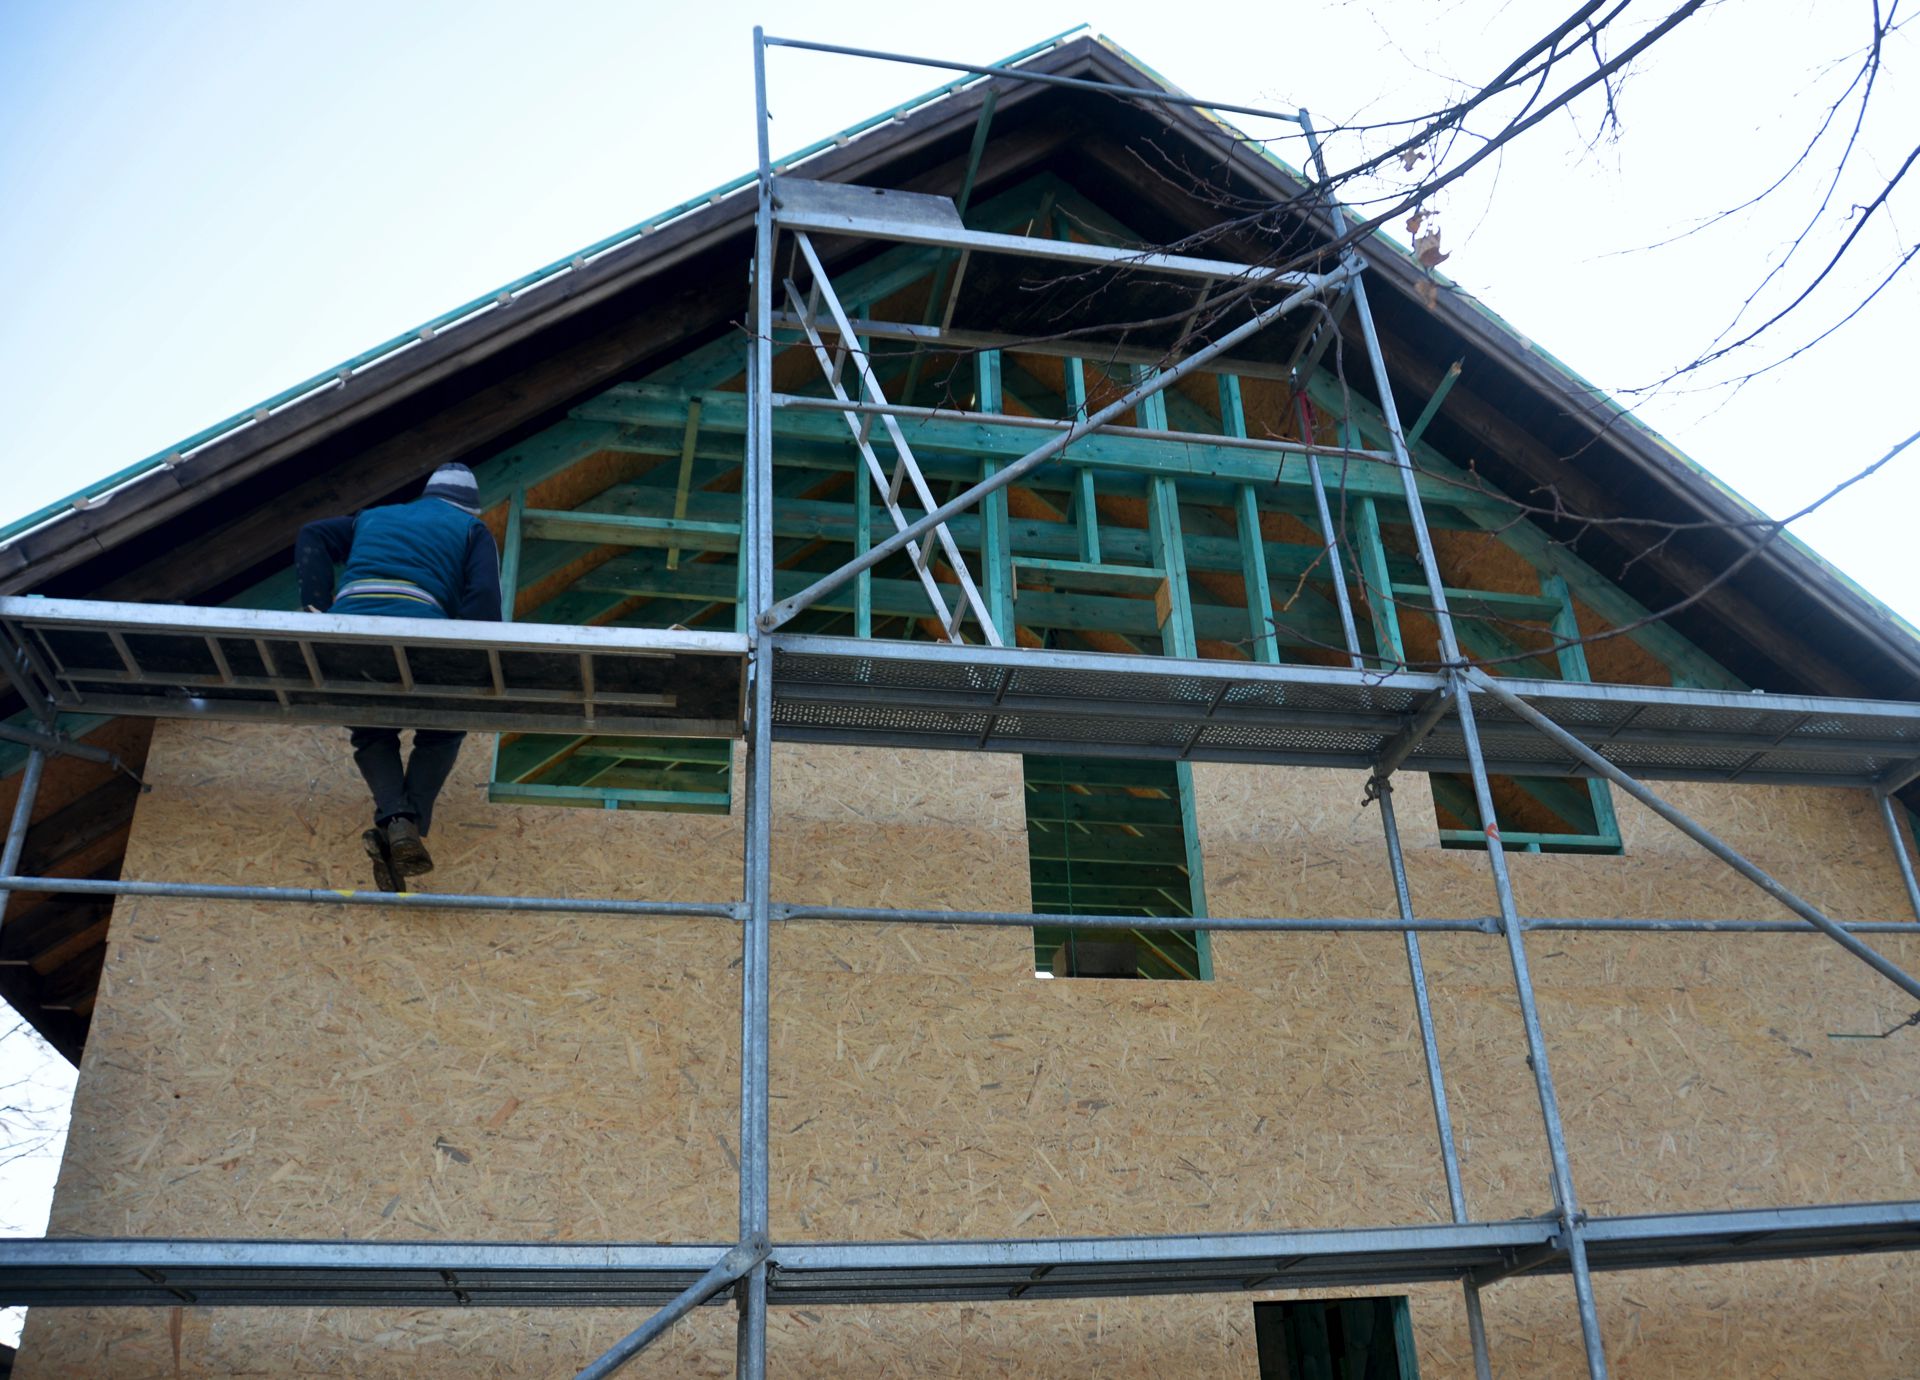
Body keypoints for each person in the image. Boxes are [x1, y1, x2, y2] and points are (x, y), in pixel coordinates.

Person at [295, 463, 502, 890]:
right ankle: (407, 827)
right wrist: (473, 660)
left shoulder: (373, 517)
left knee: (372, 732)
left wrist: (316, 608)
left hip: (349, 633)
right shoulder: (471, 530)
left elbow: (312, 533)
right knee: (443, 729)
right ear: (470, 508)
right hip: (417, 630)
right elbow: (483, 597)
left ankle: (396, 822)